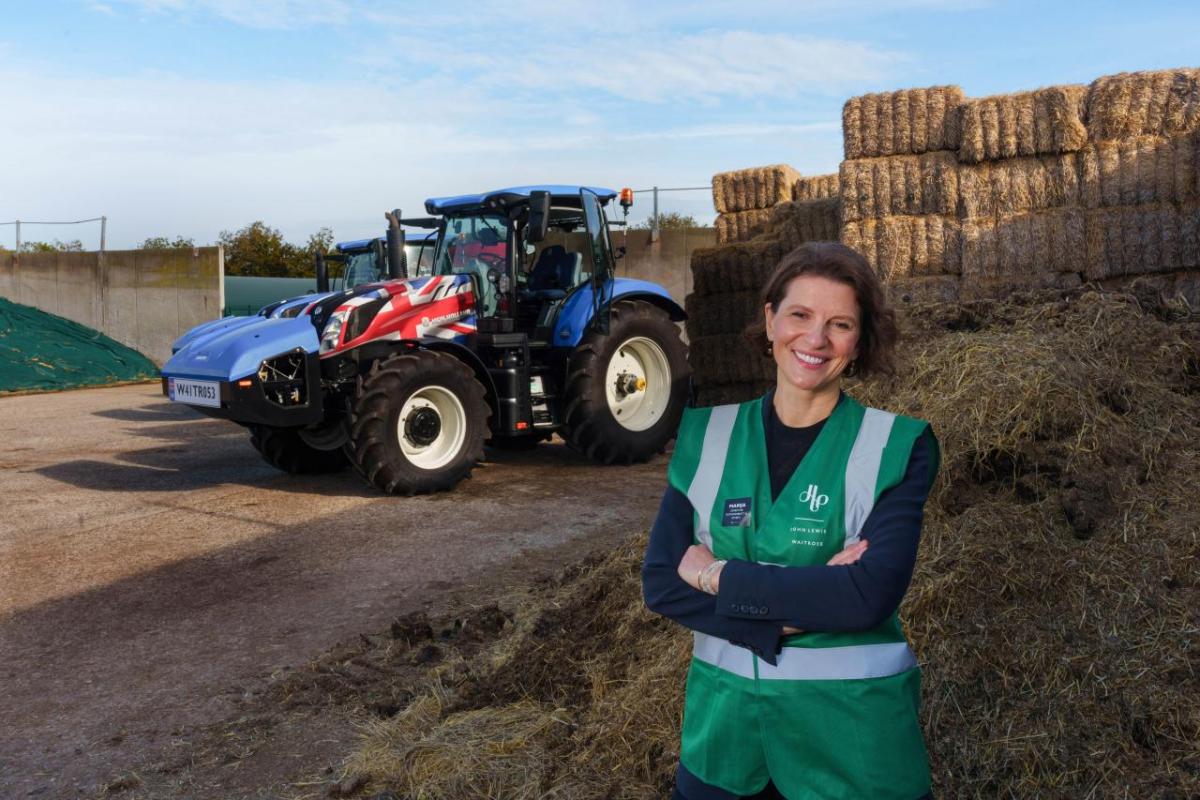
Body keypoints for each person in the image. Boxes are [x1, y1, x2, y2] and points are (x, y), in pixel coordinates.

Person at [642, 242, 939, 800]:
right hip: (723, 746)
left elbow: (867, 596)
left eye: (840, 323)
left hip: (852, 751)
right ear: (770, 318)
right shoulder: (706, 436)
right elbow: (661, 583)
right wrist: (799, 606)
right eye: (800, 314)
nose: (816, 339)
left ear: (860, 339)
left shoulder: (896, 446)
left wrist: (718, 576)